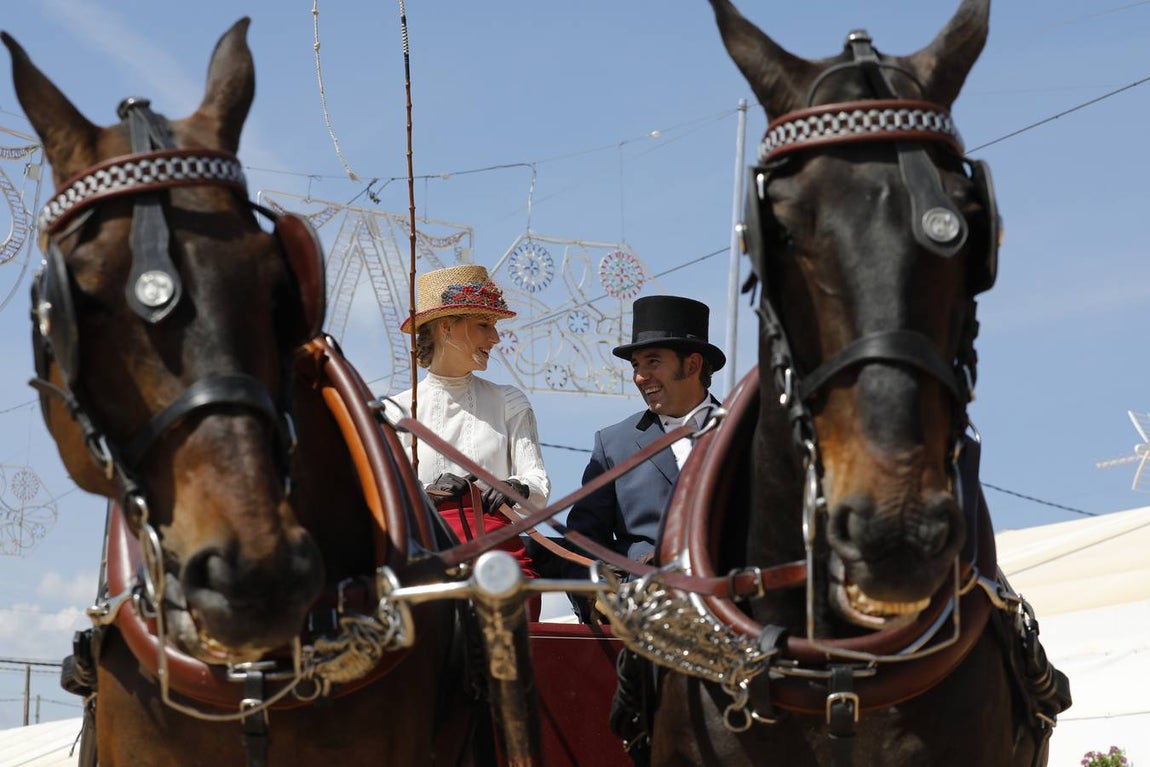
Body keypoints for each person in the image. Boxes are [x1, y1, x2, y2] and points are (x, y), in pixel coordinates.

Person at [385, 264, 550, 619]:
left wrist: (510, 487)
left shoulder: (510, 401)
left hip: (500, 567)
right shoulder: (395, 411)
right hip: (424, 565)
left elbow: (538, 485)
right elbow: (384, 503)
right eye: (484, 326)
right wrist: (425, 495)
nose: (494, 338)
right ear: (446, 327)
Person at [562, 295, 725, 618]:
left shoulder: (744, 432)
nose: (640, 376)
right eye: (636, 365)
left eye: (653, 362)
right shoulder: (613, 443)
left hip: (732, 609)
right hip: (643, 619)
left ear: (692, 365)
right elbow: (582, 541)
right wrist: (598, 599)